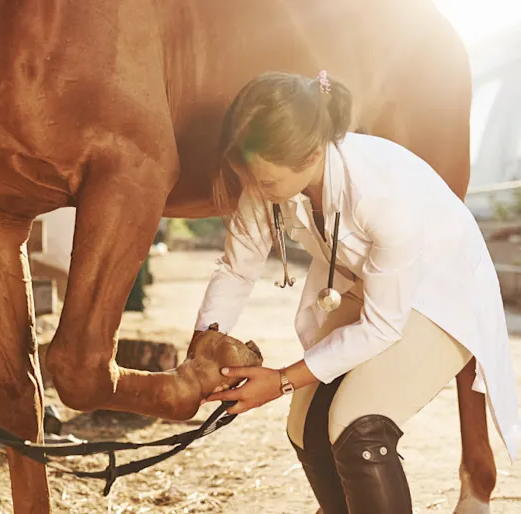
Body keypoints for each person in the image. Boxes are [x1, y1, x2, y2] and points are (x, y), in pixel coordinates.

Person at [194, 70, 520, 513]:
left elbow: (383, 326)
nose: (255, 190)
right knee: (304, 425)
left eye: (265, 182)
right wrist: (203, 347)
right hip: (372, 283)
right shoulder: (265, 179)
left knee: (357, 423)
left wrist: (282, 380)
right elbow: (236, 269)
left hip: (442, 295)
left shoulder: (381, 195)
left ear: (309, 153)